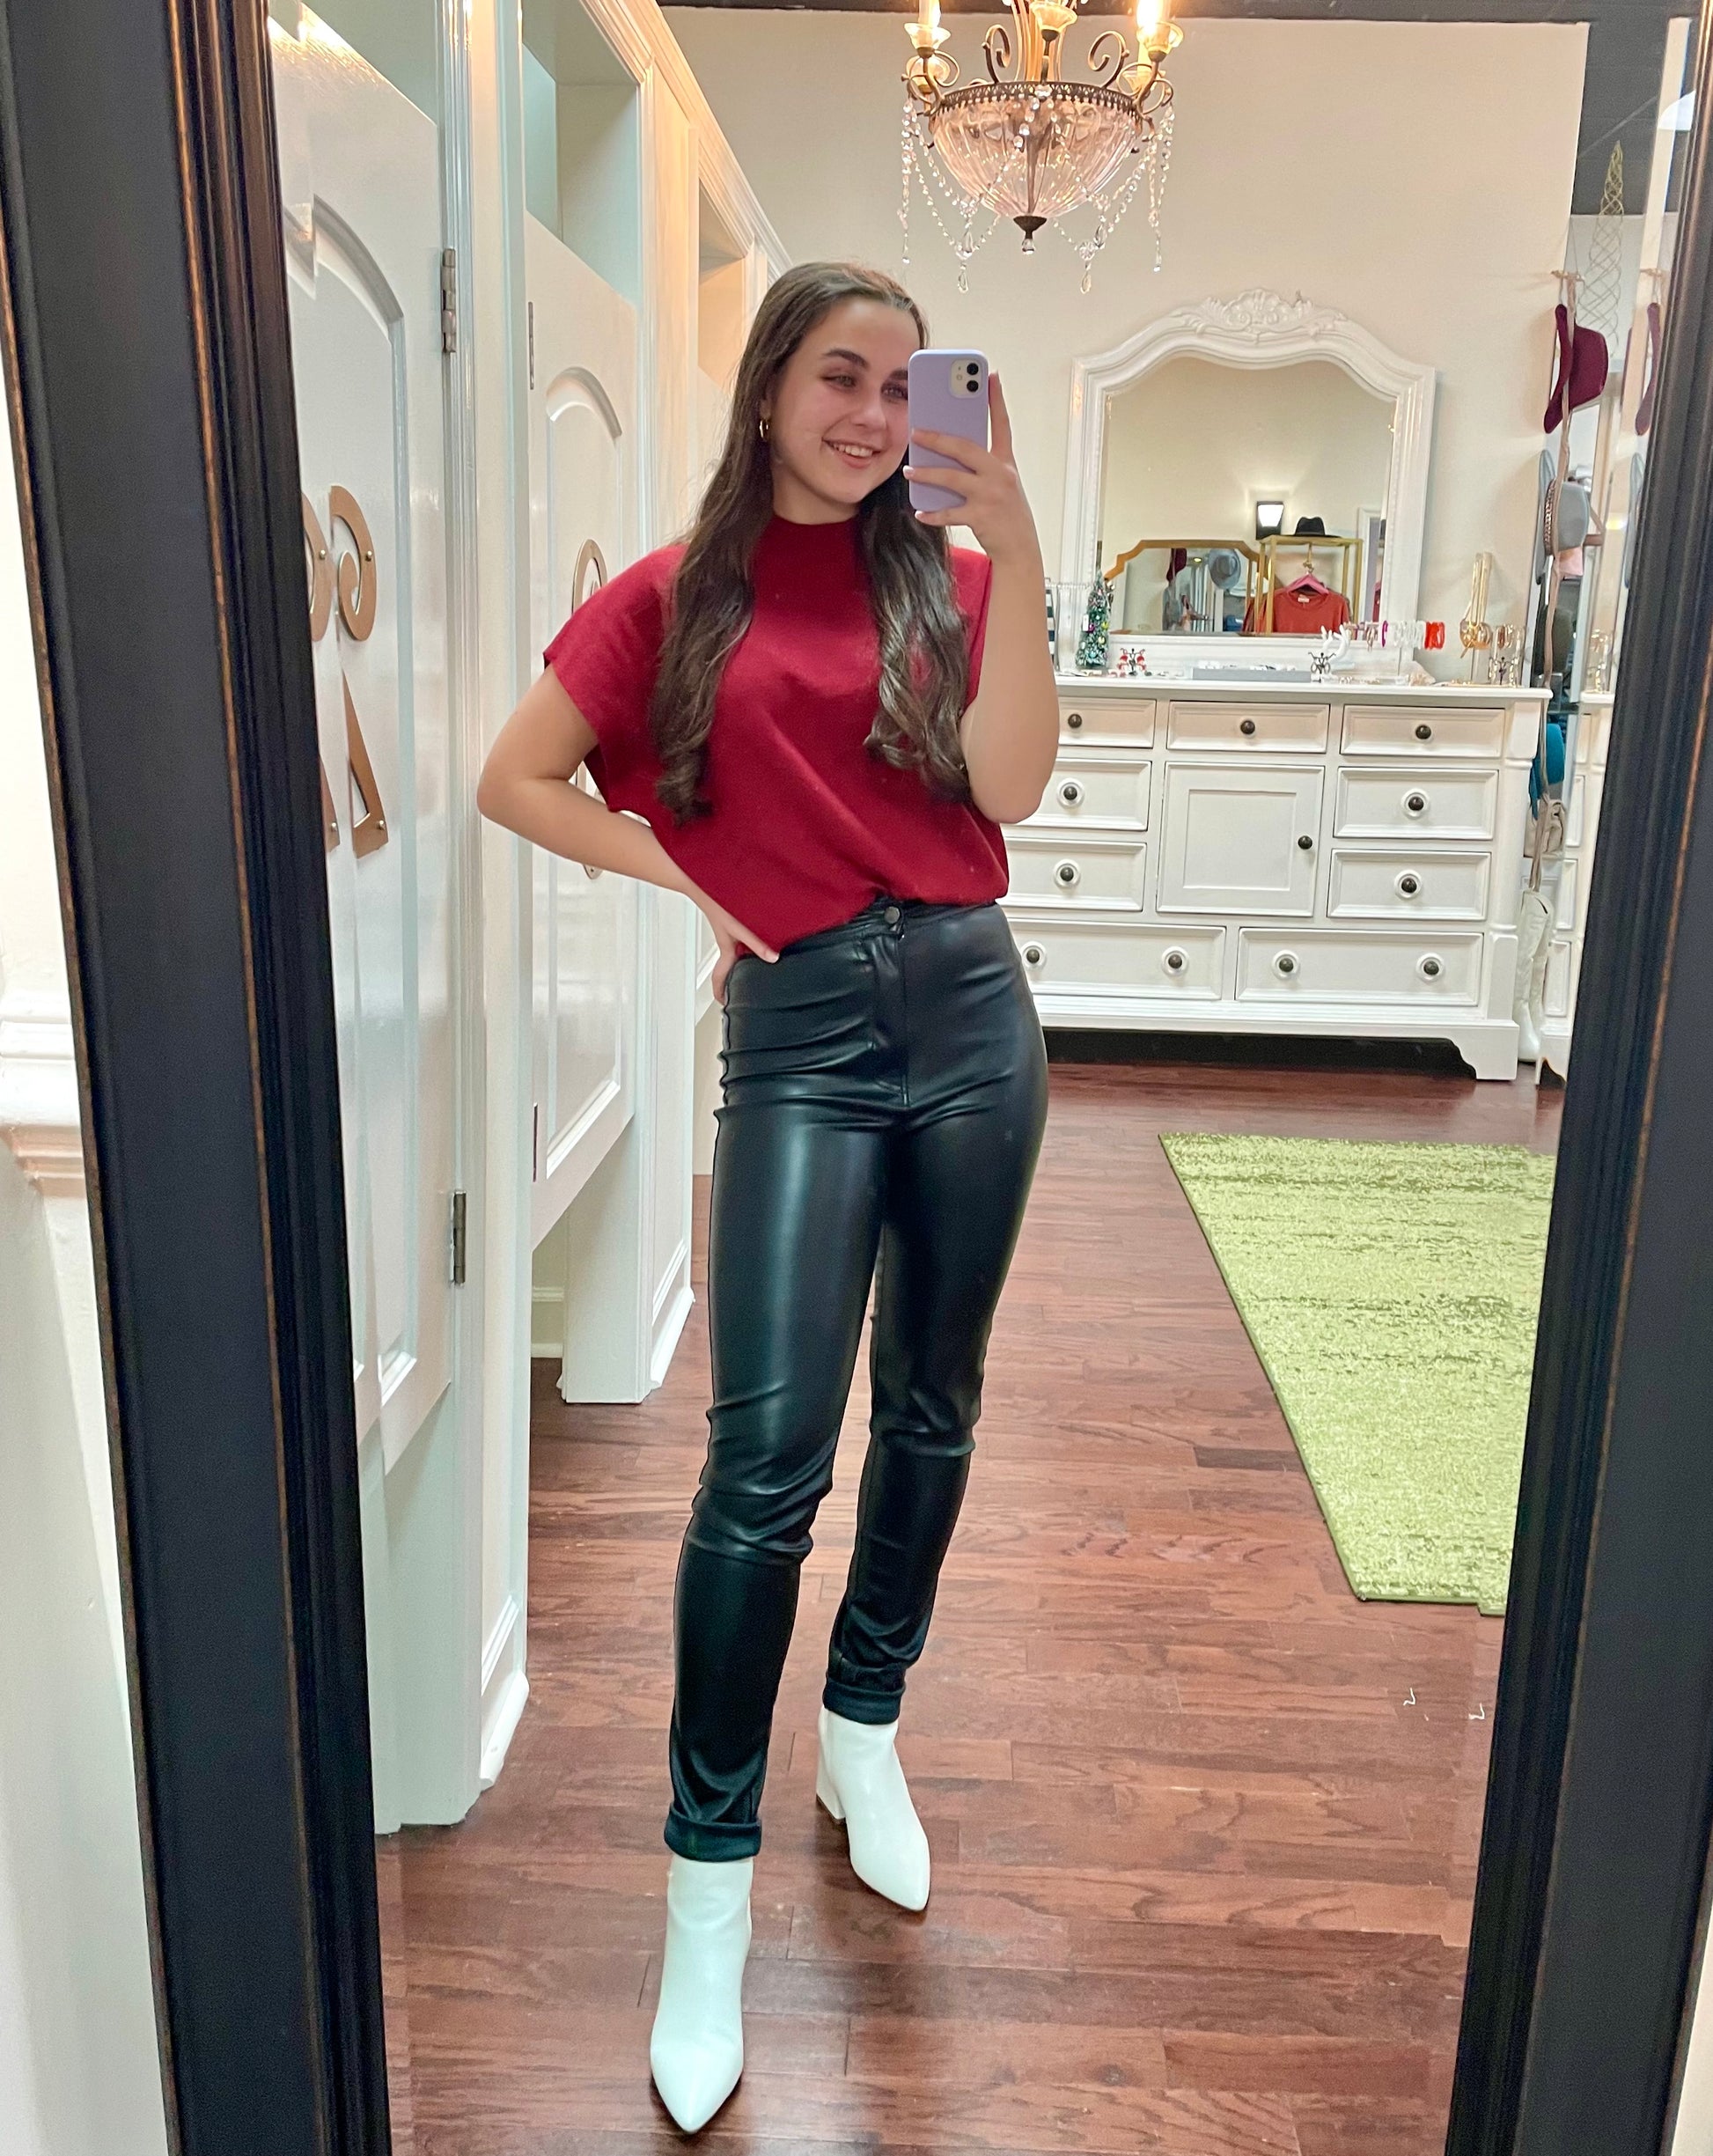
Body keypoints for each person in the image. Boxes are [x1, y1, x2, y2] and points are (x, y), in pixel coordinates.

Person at [476, 260, 1057, 2132]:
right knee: (762, 1463)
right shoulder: (668, 598)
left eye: (903, 385)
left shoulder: (953, 583)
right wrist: (687, 878)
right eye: (839, 376)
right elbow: (514, 778)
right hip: (800, 1032)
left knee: (934, 1405)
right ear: (767, 390)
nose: (874, 414)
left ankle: (863, 1730)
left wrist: (1017, 539)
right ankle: (704, 1893)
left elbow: (1008, 789)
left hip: (972, 1011)